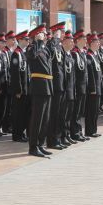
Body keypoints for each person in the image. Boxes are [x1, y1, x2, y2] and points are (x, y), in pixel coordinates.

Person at [26, 24, 53, 157]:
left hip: (48, 85)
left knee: (45, 118)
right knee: (37, 118)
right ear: (36, 35)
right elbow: (31, 56)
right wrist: (37, 41)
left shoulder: (45, 49)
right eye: (42, 33)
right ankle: (33, 147)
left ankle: (41, 144)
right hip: (39, 86)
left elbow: (52, 54)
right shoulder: (32, 48)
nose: (44, 36)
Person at [46, 22, 66, 150]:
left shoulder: (59, 46)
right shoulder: (50, 45)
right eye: (61, 32)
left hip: (61, 84)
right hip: (54, 85)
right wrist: (54, 38)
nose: (63, 34)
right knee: (53, 114)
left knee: (60, 114)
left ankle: (58, 139)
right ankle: (52, 141)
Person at [9, 30, 30, 143]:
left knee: (23, 113)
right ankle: (17, 135)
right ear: (20, 40)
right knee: (18, 113)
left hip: (25, 89)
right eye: (26, 39)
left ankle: (21, 133)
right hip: (19, 90)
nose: (28, 41)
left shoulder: (23, 53)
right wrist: (18, 90)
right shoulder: (16, 54)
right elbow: (15, 73)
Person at [71, 29, 89, 141]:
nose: (86, 40)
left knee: (80, 111)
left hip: (83, 86)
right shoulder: (74, 53)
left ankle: (79, 131)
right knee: (76, 111)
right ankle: (75, 133)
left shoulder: (82, 52)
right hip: (77, 86)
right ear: (78, 40)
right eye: (84, 39)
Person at [85, 32, 102, 138]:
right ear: (91, 43)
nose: (98, 44)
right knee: (91, 110)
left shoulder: (95, 56)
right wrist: (92, 88)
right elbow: (90, 74)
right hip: (93, 88)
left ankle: (93, 129)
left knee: (95, 110)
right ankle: (89, 131)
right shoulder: (89, 56)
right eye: (96, 42)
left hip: (98, 87)